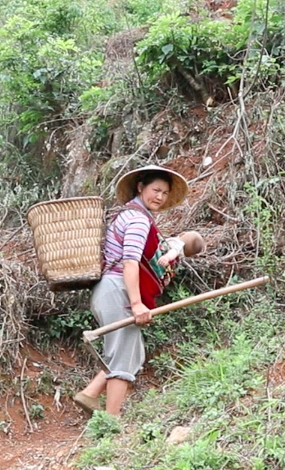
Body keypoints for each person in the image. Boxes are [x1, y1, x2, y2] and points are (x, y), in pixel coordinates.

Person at [74, 165, 195, 416]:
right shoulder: (138, 220)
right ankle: (112, 420)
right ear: (141, 187)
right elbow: (130, 262)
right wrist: (137, 303)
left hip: (111, 290)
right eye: (155, 190)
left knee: (130, 351)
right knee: (124, 353)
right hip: (117, 289)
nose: (159, 197)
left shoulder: (132, 215)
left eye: (164, 193)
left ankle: (90, 394)